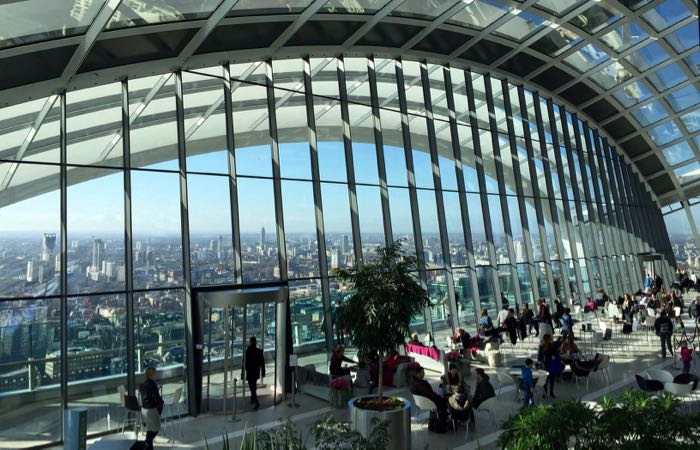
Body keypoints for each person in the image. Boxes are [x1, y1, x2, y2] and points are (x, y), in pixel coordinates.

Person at [139, 367, 164, 450]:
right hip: (151, 410)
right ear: (152, 374)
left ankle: (149, 447)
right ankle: (146, 443)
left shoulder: (142, 384)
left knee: (150, 429)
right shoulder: (153, 384)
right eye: (154, 373)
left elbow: (141, 398)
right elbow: (157, 397)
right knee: (156, 429)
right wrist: (161, 403)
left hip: (144, 410)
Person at [244, 336, 265, 409]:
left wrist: (243, 372)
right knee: (253, 386)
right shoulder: (259, 351)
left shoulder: (248, 351)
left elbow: (245, 362)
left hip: (250, 371)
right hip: (256, 372)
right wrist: (263, 373)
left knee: (252, 386)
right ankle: (253, 399)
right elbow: (262, 363)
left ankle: (256, 401)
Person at [537, 334, 560, 398]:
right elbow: (539, 356)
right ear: (544, 339)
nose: (546, 341)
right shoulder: (541, 347)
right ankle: (545, 392)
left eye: (547, 339)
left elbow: (555, 354)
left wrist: (554, 357)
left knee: (552, 379)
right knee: (545, 380)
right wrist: (540, 361)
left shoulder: (551, 346)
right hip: (544, 365)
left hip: (551, 365)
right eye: (545, 339)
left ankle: (551, 392)